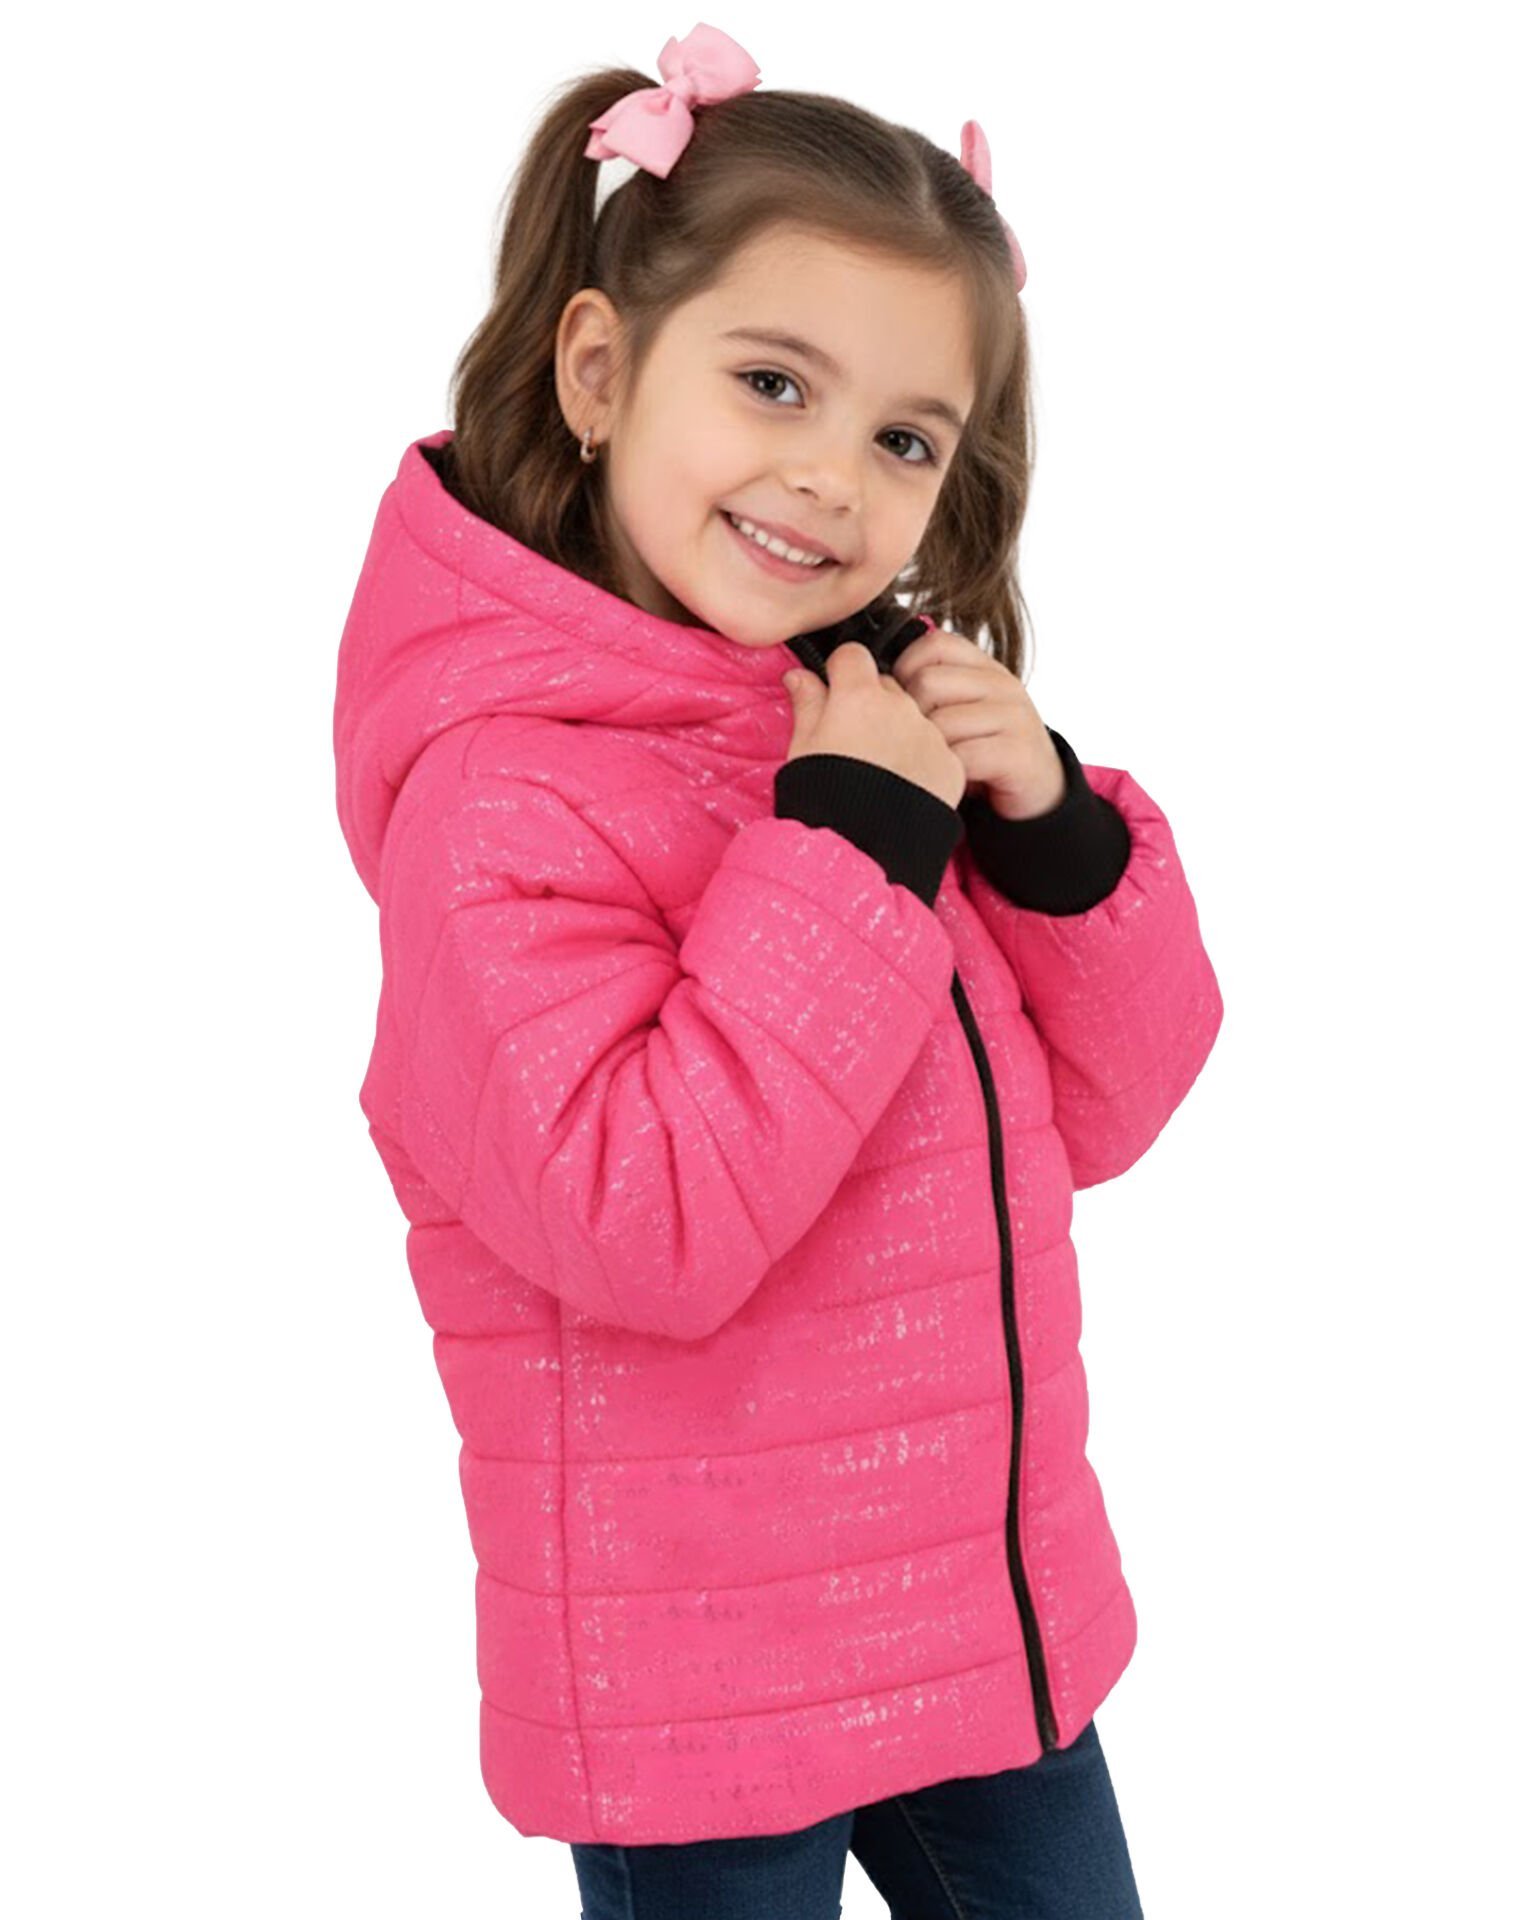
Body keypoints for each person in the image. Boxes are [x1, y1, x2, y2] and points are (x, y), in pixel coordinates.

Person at [330, 23, 1223, 1918]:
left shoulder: (861, 723)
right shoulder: (500, 798)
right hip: (703, 1701)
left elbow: (1109, 1112)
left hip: (987, 1627)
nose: (829, 478)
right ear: (598, 368)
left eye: (903, 437)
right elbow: (641, 1220)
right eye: (771, 383)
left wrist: (1050, 836)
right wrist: (850, 853)